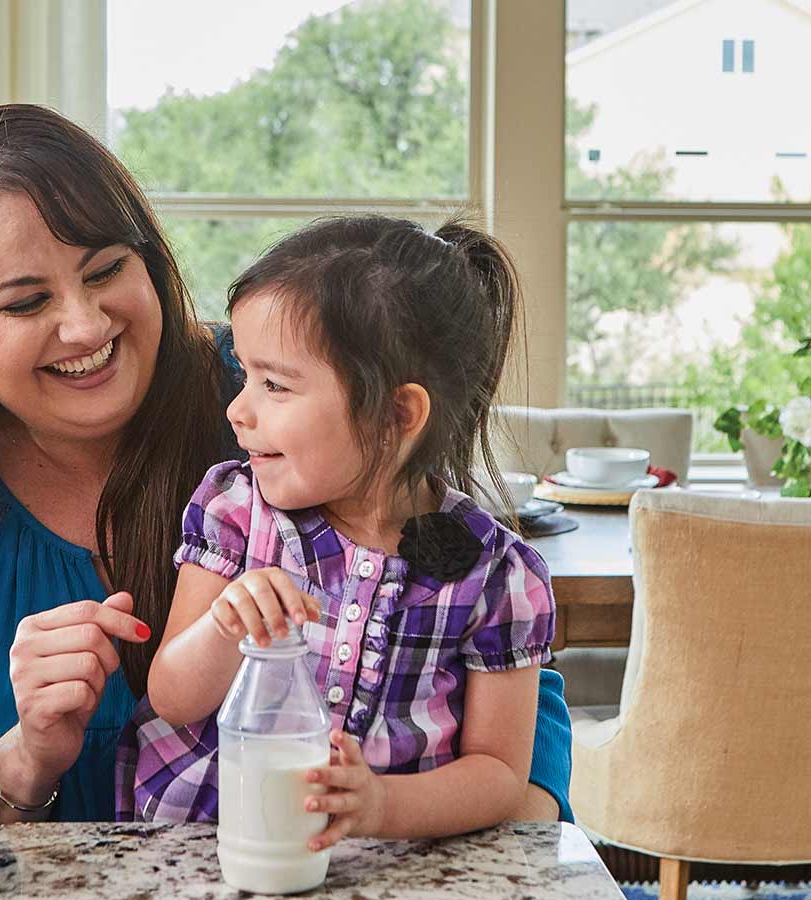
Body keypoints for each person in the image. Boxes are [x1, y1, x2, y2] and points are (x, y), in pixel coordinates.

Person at [0, 103, 572, 824]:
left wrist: (448, 806)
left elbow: (522, 751)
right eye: (27, 301)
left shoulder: (278, 403)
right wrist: (31, 758)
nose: (86, 324)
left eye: (106, 270)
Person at [126, 216, 551, 850]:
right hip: (209, 848)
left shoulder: (496, 576)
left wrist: (382, 804)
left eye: (274, 385)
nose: (237, 410)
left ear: (397, 415)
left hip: (387, 868)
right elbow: (171, 698)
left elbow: (499, 775)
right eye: (244, 375)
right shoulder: (235, 509)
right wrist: (222, 626)